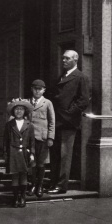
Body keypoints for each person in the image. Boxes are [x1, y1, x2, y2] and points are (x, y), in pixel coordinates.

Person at [48, 50, 89, 194]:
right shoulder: (61, 76)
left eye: (67, 58)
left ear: (75, 59)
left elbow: (84, 100)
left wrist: (69, 112)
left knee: (65, 155)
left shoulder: (80, 77)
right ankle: (53, 183)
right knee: (55, 154)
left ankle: (61, 185)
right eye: (63, 58)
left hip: (68, 122)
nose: (63, 60)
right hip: (56, 121)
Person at [26, 80, 55, 198]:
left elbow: (52, 121)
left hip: (42, 137)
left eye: (40, 89)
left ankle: (40, 185)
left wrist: (50, 137)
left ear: (44, 90)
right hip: (29, 137)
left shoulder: (47, 103)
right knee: (32, 162)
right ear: (32, 89)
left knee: (41, 163)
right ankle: (32, 184)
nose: (37, 91)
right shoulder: (27, 102)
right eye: (35, 88)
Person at [4, 98, 35, 208]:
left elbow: (32, 141)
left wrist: (32, 153)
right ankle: (15, 197)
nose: (19, 111)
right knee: (15, 176)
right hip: (13, 152)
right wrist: (6, 154)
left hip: (24, 153)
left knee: (23, 175)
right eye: (16, 109)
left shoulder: (29, 124)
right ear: (13, 111)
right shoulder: (9, 125)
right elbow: (6, 141)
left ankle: (23, 197)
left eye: (21, 109)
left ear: (25, 111)